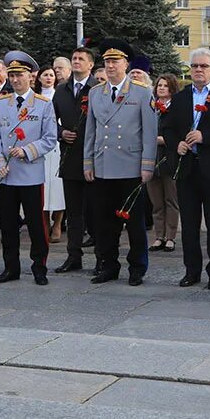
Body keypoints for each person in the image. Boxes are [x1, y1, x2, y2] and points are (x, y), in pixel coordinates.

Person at [162, 49, 210, 290]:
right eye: (194, 66)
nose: (198, 70)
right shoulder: (182, 97)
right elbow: (168, 128)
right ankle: (191, 270)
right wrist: (178, 144)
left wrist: (204, 136)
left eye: (203, 66)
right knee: (190, 223)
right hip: (187, 169)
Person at [83, 39, 157, 286]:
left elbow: (149, 131)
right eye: (107, 62)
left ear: (126, 64)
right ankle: (108, 264)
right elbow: (90, 131)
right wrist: (88, 162)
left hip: (130, 165)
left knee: (134, 222)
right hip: (104, 165)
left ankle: (137, 267)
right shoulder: (96, 92)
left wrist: (147, 165)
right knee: (104, 222)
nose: (111, 66)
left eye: (115, 61)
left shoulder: (141, 92)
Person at [0, 52, 57, 285]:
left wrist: (28, 150)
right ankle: (11, 267)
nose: (16, 80)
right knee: (7, 225)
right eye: (12, 75)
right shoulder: (1, 104)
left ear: (31, 76)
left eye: (20, 75)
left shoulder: (42, 104)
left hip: (30, 173)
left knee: (37, 225)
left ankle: (39, 267)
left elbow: (50, 138)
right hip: (6, 175)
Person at [52, 47, 100, 273]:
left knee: (97, 211)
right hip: (70, 157)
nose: (77, 61)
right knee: (74, 212)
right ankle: (73, 256)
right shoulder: (61, 90)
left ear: (90, 64)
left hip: (95, 158)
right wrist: (61, 132)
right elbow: (49, 121)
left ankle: (102, 257)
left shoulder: (98, 89)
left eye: (81, 59)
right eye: (74, 58)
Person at [148, 74, 180, 253]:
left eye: (165, 86)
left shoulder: (176, 108)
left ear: (172, 89)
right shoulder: (151, 107)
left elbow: (181, 132)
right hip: (152, 159)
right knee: (156, 201)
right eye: (159, 85)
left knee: (171, 199)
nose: (161, 88)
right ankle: (158, 236)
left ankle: (170, 237)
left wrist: (164, 139)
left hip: (169, 159)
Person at [35, 65, 66, 242]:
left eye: (51, 75)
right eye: (45, 75)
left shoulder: (59, 95)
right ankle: (44, 221)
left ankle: (58, 223)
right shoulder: (35, 97)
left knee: (58, 185)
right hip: (39, 146)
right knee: (43, 185)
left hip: (56, 144)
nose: (48, 78)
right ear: (39, 78)